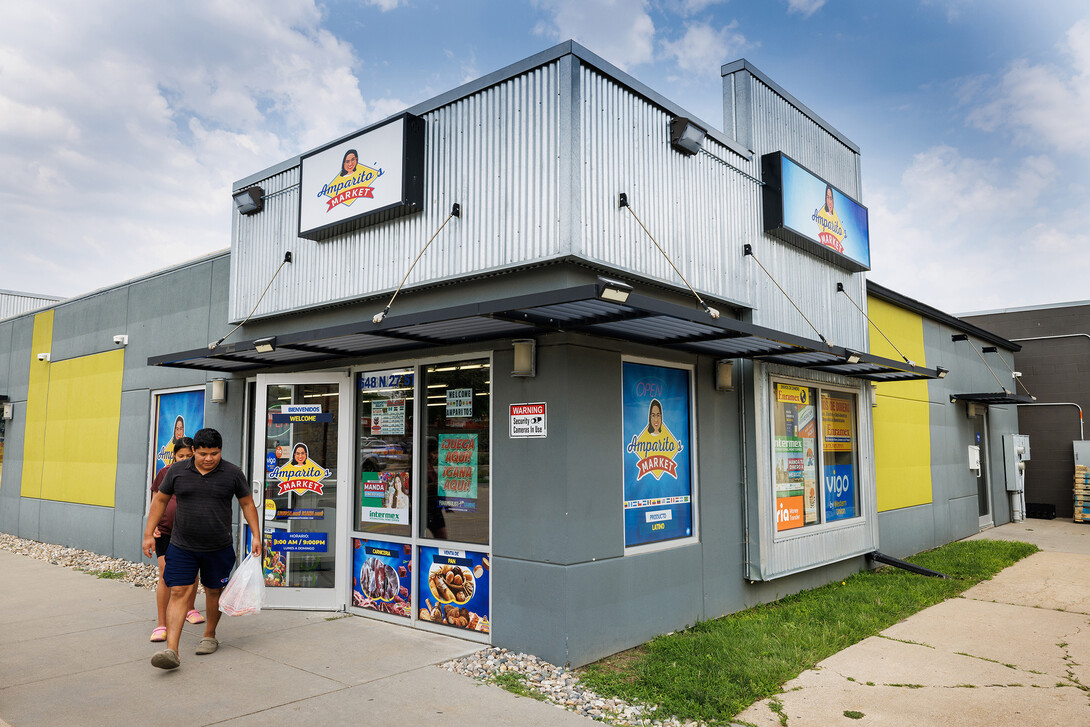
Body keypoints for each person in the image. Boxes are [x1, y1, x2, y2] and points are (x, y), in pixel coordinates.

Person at [143, 427, 262, 670]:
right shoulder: (176, 471)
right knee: (178, 592)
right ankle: (171, 650)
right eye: (203, 453)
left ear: (221, 452)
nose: (209, 458)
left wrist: (256, 535)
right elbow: (160, 500)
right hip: (182, 545)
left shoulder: (232, 473)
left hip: (218, 546)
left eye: (214, 453)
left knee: (213, 591)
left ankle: (209, 635)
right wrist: (148, 534)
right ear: (194, 451)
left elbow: (247, 502)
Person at [148, 437, 202, 642]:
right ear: (174, 456)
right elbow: (155, 501)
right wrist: (151, 529)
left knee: (192, 573)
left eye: (189, 455)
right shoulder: (165, 473)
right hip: (165, 532)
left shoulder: (199, 474)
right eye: (181, 456)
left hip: (191, 532)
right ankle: (161, 624)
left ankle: (190, 609)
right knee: (165, 574)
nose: (185, 459)